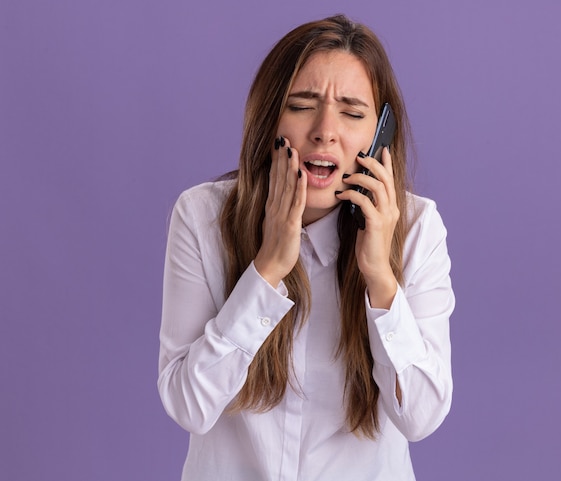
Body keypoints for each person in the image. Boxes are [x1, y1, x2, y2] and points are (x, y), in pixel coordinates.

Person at [158, 14, 454, 481]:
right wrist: (266, 270)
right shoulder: (201, 217)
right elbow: (187, 404)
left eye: (352, 114)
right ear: (269, 118)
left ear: (380, 137)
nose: (325, 130)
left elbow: (420, 417)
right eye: (301, 105)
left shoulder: (418, 229)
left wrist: (380, 280)